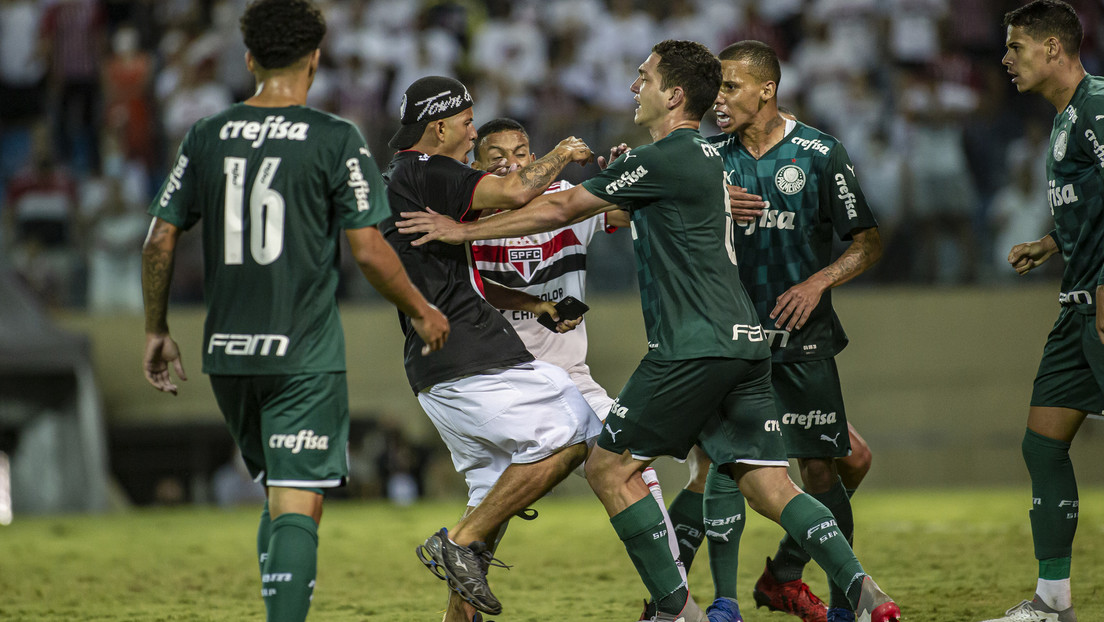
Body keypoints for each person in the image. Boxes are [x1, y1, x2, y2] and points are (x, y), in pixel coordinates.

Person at [397, 39, 901, 622]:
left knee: (608, 466)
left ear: (674, 94)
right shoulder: (711, 157)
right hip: (745, 342)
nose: (636, 86)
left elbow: (562, 210)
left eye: (645, 77)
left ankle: (672, 610)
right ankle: (867, 595)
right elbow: (642, 201)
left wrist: (459, 233)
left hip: (690, 349)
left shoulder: (667, 155)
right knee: (770, 484)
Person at [140, 2, 449, 621]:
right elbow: (368, 250)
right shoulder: (335, 138)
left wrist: (155, 328)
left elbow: (159, 240)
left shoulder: (205, 134)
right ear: (315, 58)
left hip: (228, 355)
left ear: (250, 58)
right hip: (302, 354)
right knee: (299, 500)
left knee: (278, 494)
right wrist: (420, 308)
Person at [378, 75, 602, 619]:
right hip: (469, 356)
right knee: (570, 436)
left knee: (489, 512)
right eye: (467, 122)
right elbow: (522, 193)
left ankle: (463, 570)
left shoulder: (411, 178)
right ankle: (454, 543)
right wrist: (563, 152)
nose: (472, 130)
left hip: (443, 367)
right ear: (440, 127)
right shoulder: (429, 170)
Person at [684, 40, 884, 622]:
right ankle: (692, 600)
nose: (717, 99)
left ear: (766, 89)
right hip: (730, 340)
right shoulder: (707, 155)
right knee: (723, 469)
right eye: (715, 88)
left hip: (802, 337)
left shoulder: (820, 153)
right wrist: (714, 204)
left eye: (729, 86)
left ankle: (793, 580)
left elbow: (867, 242)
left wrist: (817, 282)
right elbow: (655, 211)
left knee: (831, 467)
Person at [978, 2, 1104, 621]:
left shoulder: (1099, 105)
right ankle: (1053, 603)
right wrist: (1052, 242)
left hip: (1102, 301)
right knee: (1043, 444)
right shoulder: (1063, 120)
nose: (1006, 58)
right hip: (1076, 307)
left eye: (1017, 46)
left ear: (1054, 48)